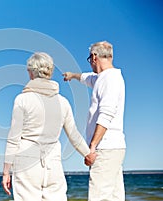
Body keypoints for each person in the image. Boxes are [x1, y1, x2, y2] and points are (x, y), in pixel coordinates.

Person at [1, 52, 96, 201]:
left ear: (31, 72)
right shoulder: (63, 102)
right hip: (53, 164)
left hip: (26, 164)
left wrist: (6, 172)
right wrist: (88, 154)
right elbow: (74, 135)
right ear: (49, 72)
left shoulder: (22, 100)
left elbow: (13, 139)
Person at [63, 41, 126, 201]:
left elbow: (106, 114)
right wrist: (72, 75)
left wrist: (92, 147)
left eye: (89, 59)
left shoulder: (109, 80)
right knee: (114, 197)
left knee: (99, 196)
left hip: (104, 148)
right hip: (113, 148)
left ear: (94, 57)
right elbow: (87, 78)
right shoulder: (102, 78)